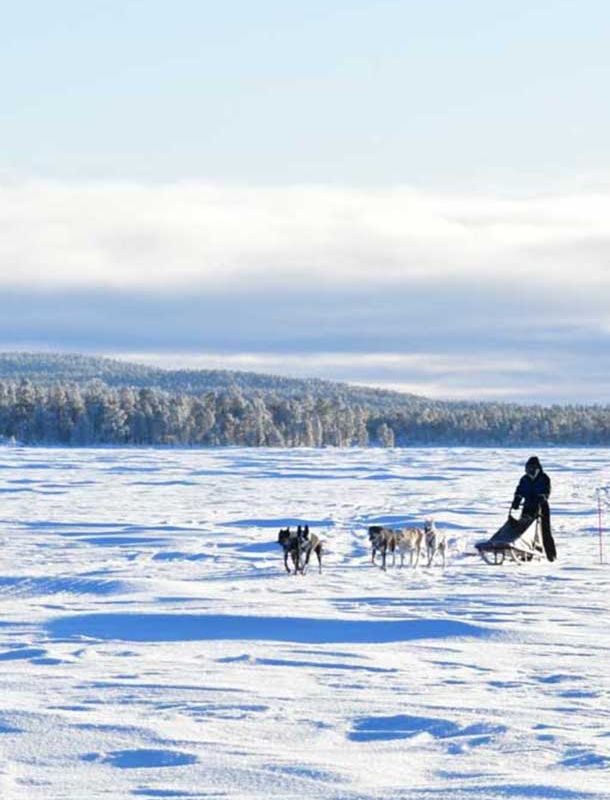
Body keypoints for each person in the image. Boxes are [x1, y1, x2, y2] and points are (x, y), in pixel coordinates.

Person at [511, 456, 556, 561]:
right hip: (528, 506)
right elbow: (519, 490)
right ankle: (525, 553)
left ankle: (551, 555)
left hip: (541, 507)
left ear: (537, 468)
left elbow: (546, 491)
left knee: (545, 531)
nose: (530, 471)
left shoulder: (544, 478)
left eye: (532, 469)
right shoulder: (524, 479)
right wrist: (516, 500)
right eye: (528, 469)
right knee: (524, 530)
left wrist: (542, 497)